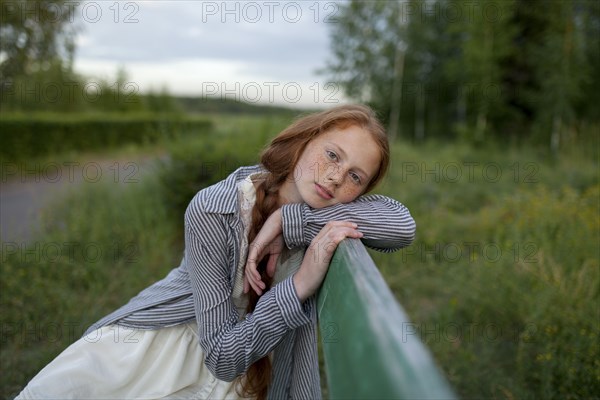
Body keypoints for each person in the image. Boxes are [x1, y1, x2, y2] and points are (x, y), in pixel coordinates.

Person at [16, 104, 416, 399]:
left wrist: (291, 221)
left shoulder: (323, 214)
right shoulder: (213, 208)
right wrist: (295, 289)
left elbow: (402, 225)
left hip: (248, 370)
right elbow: (222, 354)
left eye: (355, 177)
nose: (334, 177)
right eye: (332, 154)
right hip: (164, 353)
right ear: (305, 141)